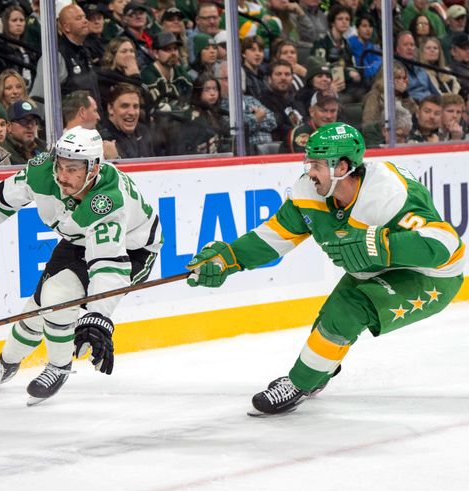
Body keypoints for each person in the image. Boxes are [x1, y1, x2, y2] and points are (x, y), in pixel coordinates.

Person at [186, 122, 464, 415]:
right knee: (328, 321)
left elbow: (446, 244)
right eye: (308, 162)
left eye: (316, 164)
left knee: (348, 309)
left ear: (343, 166)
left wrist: (380, 245)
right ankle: (319, 373)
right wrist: (228, 259)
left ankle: (299, 384)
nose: (309, 171)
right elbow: (273, 237)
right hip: (372, 268)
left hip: (429, 276)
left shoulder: (389, 193)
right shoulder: (310, 191)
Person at [0, 126, 163, 403]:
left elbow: (108, 264)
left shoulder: (107, 202)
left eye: (73, 169)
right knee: (36, 308)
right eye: (60, 165)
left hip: (132, 250)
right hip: (78, 239)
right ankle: (6, 365)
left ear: (92, 169)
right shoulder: (42, 172)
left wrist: (99, 316)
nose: (62, 176)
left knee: (57, 299)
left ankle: (59, 366)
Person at [31, 3, 101, 106]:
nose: (86, 21)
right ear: (67, 27)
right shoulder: (55, 56)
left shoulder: (85, 52)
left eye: (84, 17)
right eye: (79, 18)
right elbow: (39, 98)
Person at [142, 31, 193, 156]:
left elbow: (192, 104)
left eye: (175, 49)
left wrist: (176, 110)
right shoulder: (148, 74)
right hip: (157, 131)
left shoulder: (180, 72)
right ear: (155, 53)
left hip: (180, 127)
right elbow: (158, 110)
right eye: (167, 49)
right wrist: (182, 111)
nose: (173, 53)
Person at [99, 82, 154, 158]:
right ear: (110, 108)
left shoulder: (143, 131)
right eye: (124, 106)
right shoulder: (100, 138)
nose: (132, 112)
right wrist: (115, 160)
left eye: (135, 106)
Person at [260, 60, 306, 150]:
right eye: (278, 74)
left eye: (287, 74)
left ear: (292, 78)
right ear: (269, 79)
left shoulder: (298, 101)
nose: (283, 78)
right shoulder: (263, 101)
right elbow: (279, 128)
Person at [0, 5, 36, 86]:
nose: (19, 24)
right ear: (6, 23)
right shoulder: (0, 47)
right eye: (14, 20)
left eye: (21, 20)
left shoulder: (29, 48)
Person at [361, 61, 418, 130]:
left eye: (404, 78)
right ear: (386, 79)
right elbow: (368, 126)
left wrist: (405, 95)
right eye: (398, 78)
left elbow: (416, 118)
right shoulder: (375, 96)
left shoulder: (404, 96)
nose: (402, 81)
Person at [183, 75, 230, 154]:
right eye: (207, 90)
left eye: (215, 89)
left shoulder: (217, 113)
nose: (212, 93)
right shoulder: (191, 115)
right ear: (198, 92)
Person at [1, 100, 46, 165]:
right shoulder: (3, 152)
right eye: (23, 121)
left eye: (33, 121)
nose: (30, 126)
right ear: (8, 127)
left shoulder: (42, 148)